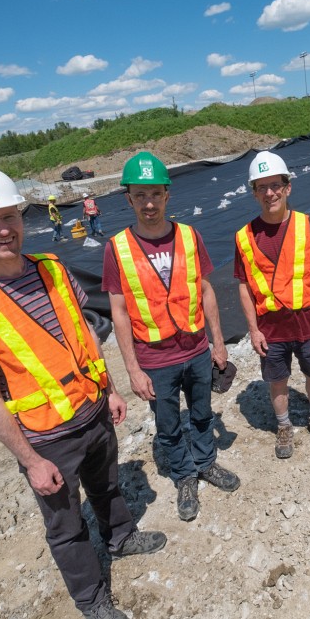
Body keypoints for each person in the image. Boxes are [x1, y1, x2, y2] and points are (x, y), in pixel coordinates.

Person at [0, 163, 165, 619]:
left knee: (107, 487)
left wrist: (109, 389)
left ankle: (121, 538)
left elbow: (85, 332)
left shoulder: (53, 268)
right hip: (46, 438)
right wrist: (31, 460)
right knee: (65, 525)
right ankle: (91, 599)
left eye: (9, 216)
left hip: (94, 412)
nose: (3, 229)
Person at [103, 151, 240, 522]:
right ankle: (184, 476)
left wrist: (218, 342)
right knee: (168, 425)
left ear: (167, 195)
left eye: (155, 194)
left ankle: (205, 463)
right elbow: (118, 312)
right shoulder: (117, 248)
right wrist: (133, 370)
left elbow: (206, 290)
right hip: (155, 358)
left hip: (195, 350)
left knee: (202, 413)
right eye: (140, 195)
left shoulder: (189, 236)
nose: (149, 203)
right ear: (129, 199)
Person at [234, 151, 310, 459]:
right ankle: (284, 425)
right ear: (254, 193)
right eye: (262, 187)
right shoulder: (244, 237)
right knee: (277, 380)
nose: (270, 193)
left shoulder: (308, 227)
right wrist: (253, 330)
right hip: (270, 328)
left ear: (287, 187)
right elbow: (244, 287)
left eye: (275, 185)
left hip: (307, 323)